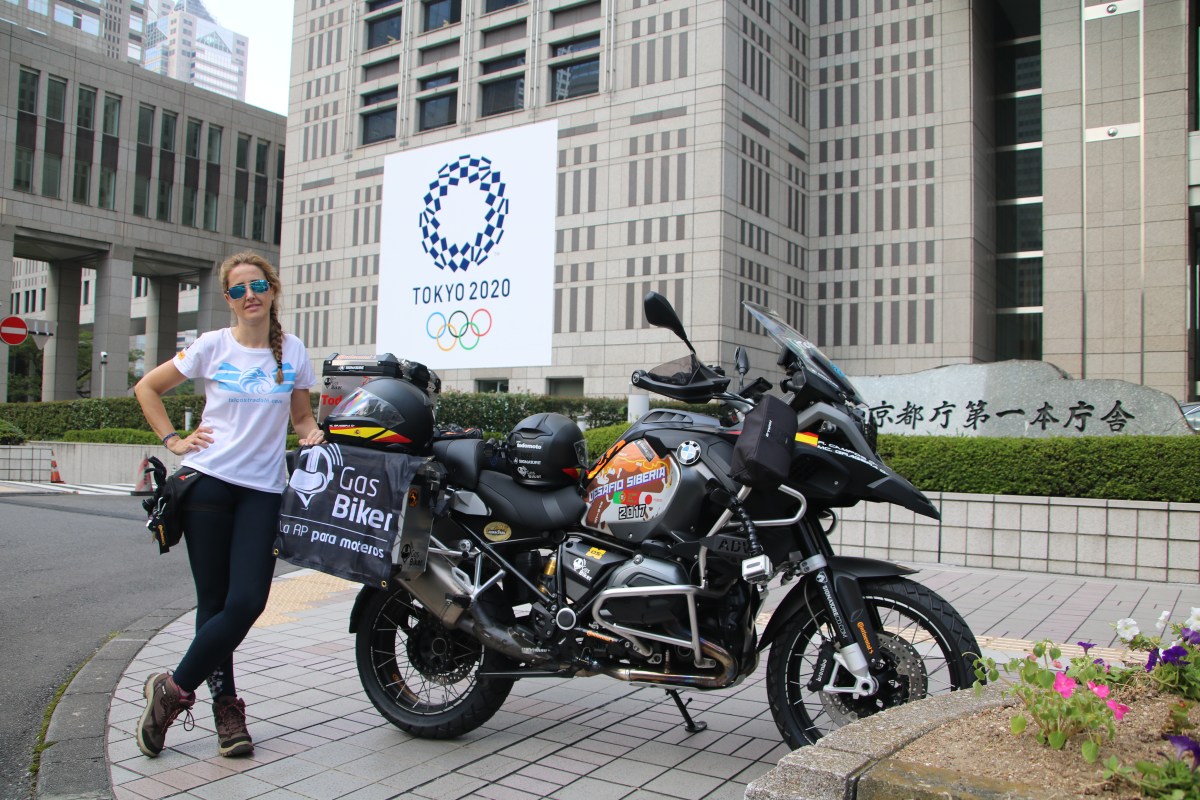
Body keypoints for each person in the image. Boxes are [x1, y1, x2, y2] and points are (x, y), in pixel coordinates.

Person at [132, 251, 324, 758]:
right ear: (229, 300)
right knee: (215, 604)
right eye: (238, 290)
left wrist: (312, 435)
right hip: (209, 485)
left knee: (247, 602)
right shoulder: (211, 345)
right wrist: (174, 440)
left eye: (257, 285)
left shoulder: (293, 351)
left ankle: (172, 690)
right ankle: (226, 711)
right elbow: (147, 388)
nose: (249, 295)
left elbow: (301, 418)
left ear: (272, 289)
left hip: (263, 490)